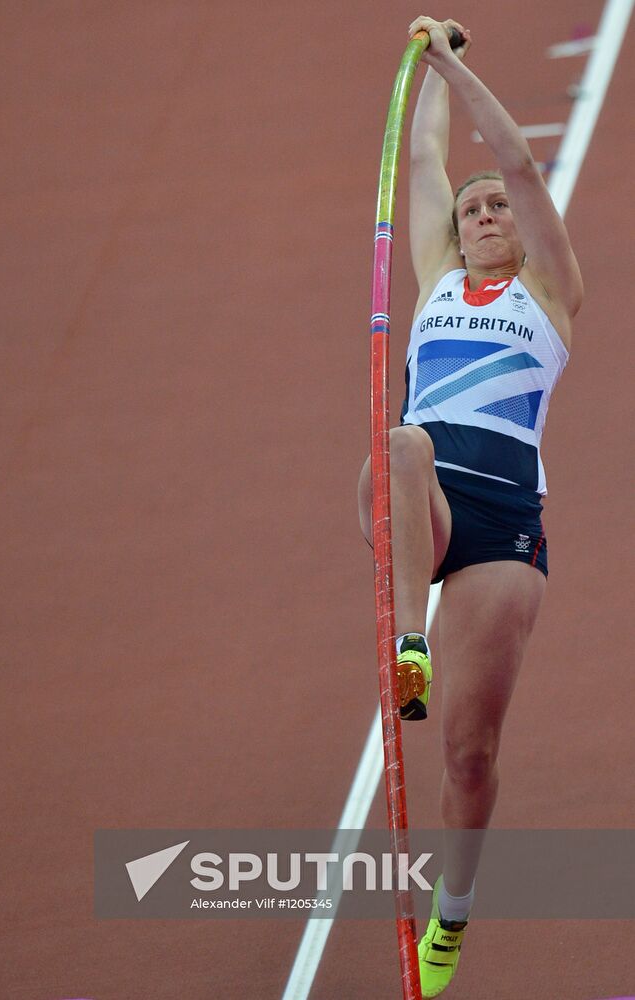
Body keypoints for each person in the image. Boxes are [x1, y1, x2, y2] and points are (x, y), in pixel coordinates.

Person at [357, 15, 582, 997]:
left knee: (468, 749)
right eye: (472, 206)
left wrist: (451, 62)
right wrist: (424, 71)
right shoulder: (431, 281)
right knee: (403, 439)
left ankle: (451, 911)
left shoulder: (550, 293)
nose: (487, 208)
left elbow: (520, 170)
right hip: (419, 503)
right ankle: (408, 640)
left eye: (498, 205)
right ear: (453, 231)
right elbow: (423, 154)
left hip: (502, 530)